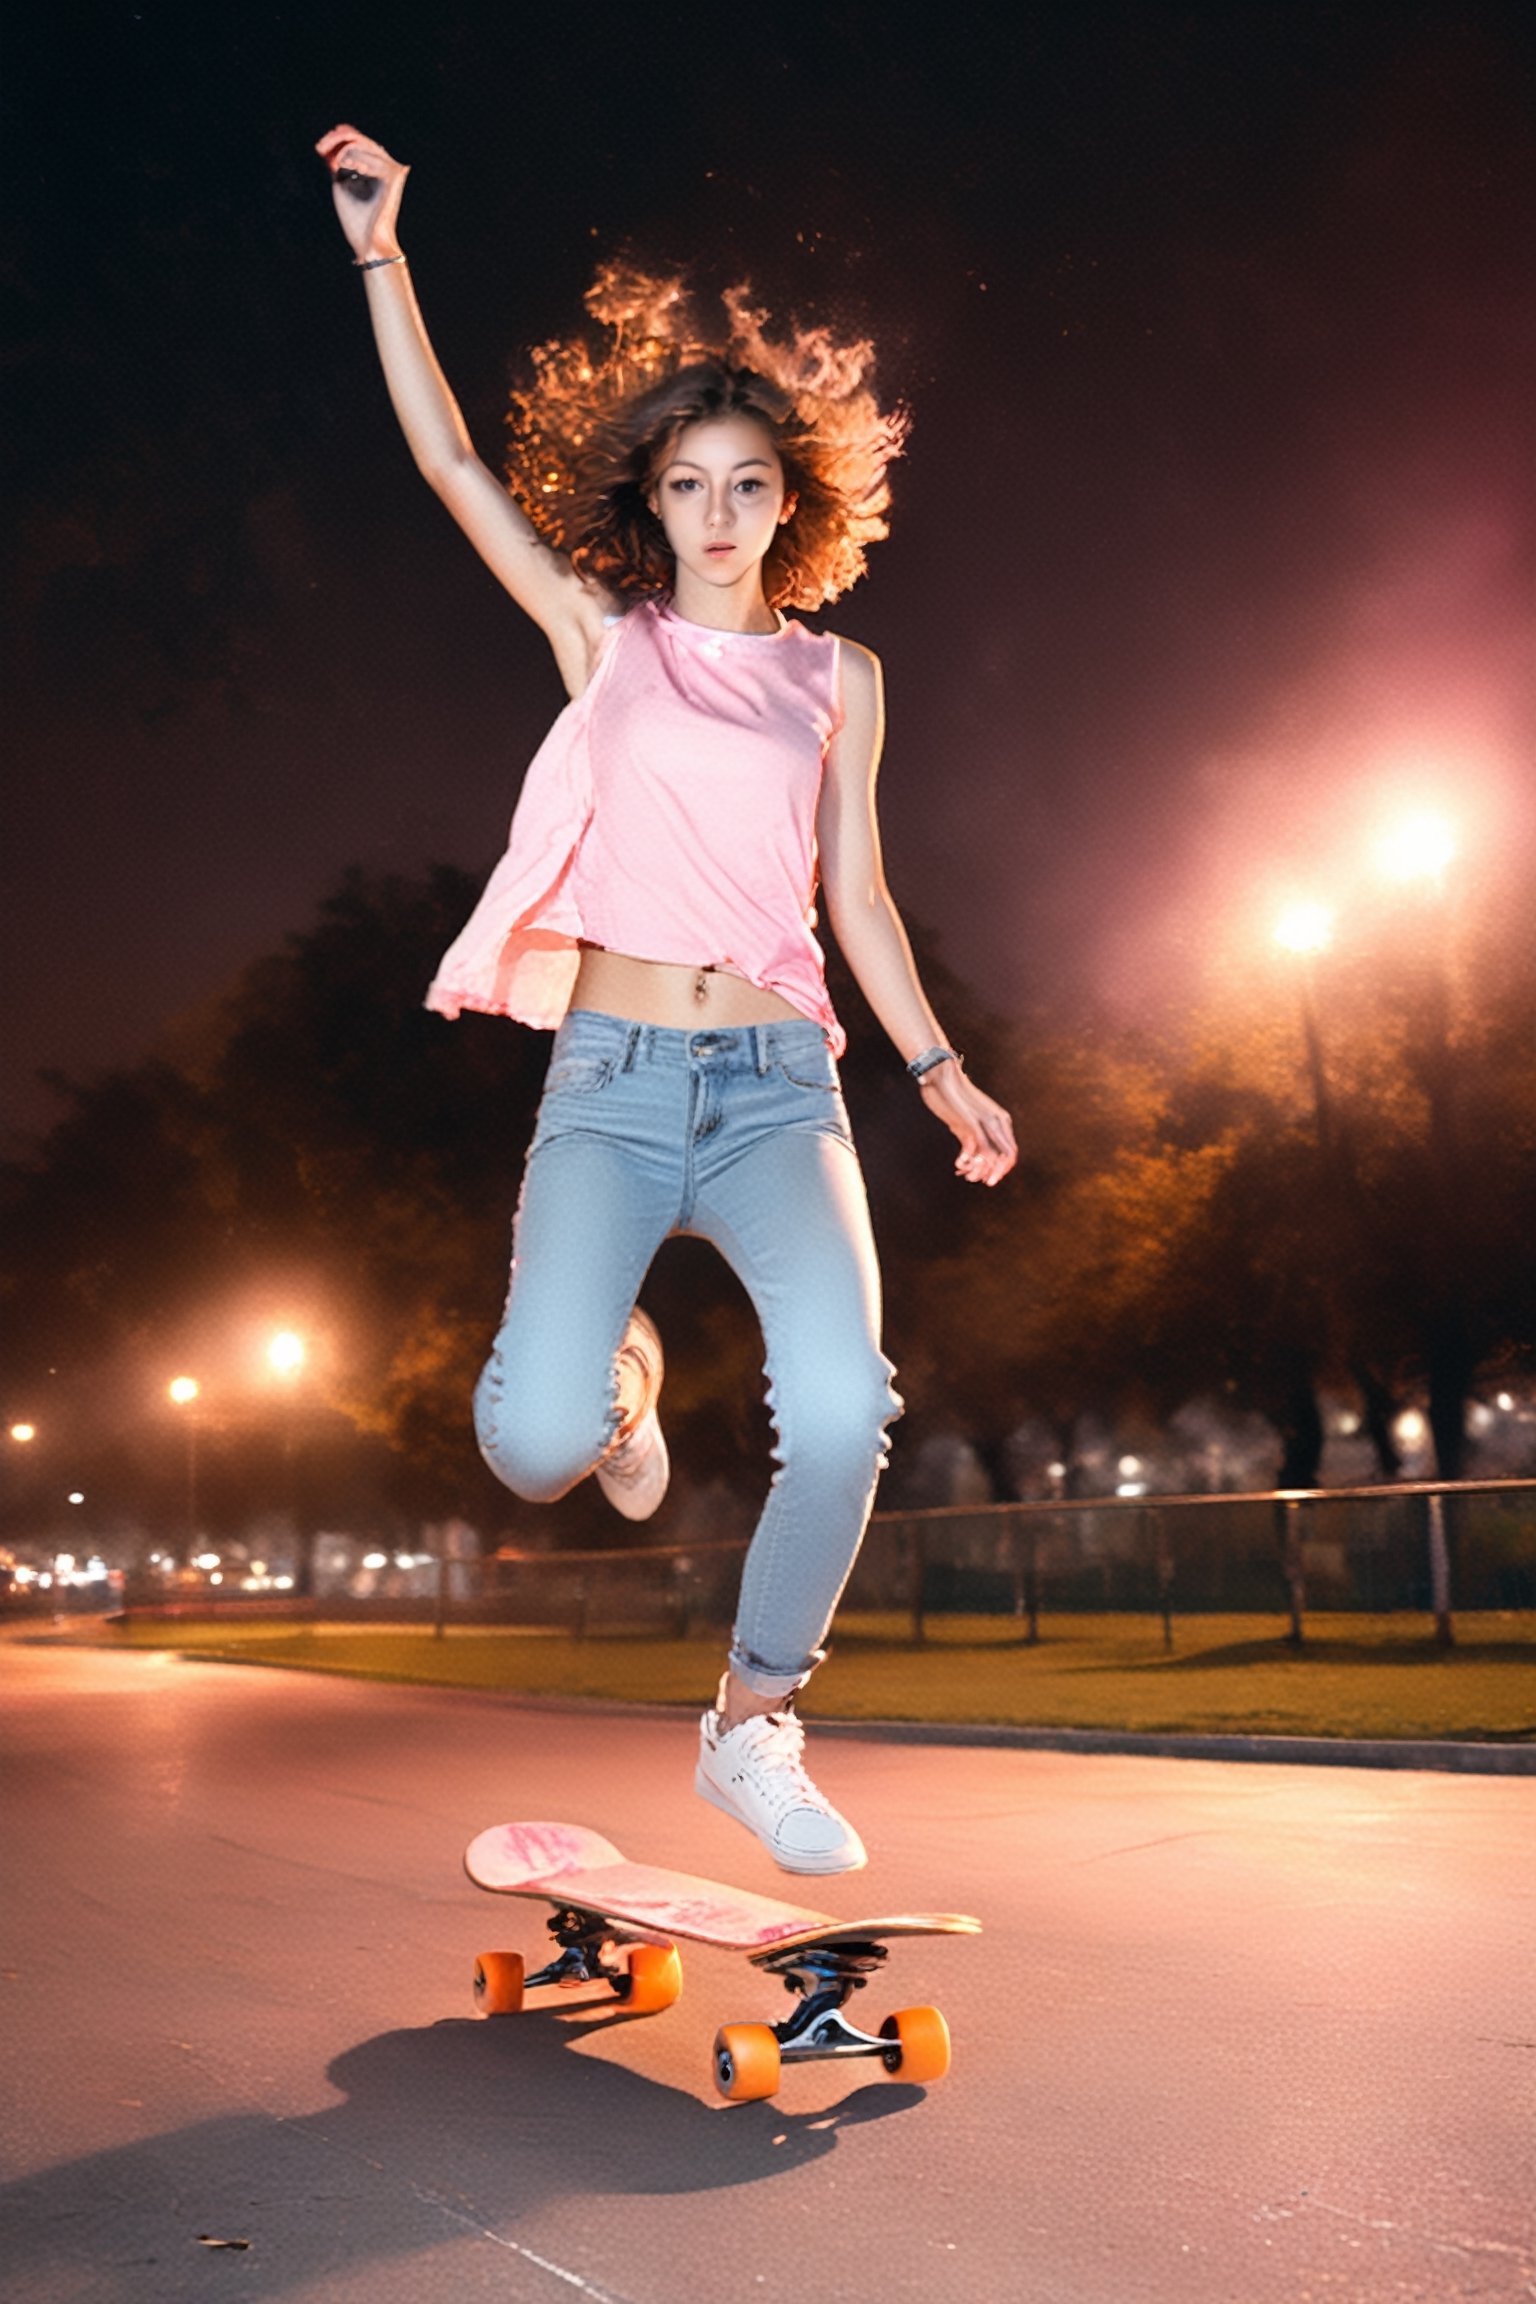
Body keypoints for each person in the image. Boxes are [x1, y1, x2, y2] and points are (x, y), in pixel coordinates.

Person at [317, 125, 1017, 1874]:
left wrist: (936, 1069)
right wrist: (382, 255)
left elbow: (853, 892)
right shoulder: (601, 641)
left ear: (796, 500)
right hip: (615, 1086)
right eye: (688, 485)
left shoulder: (840, 680)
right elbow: (452, 464)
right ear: (654, 501)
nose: (717, 514)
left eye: (749, 484)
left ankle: (754, 1722)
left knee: (849, 1405)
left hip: (785, 1088)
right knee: (539, 1446)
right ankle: (623, 1389)